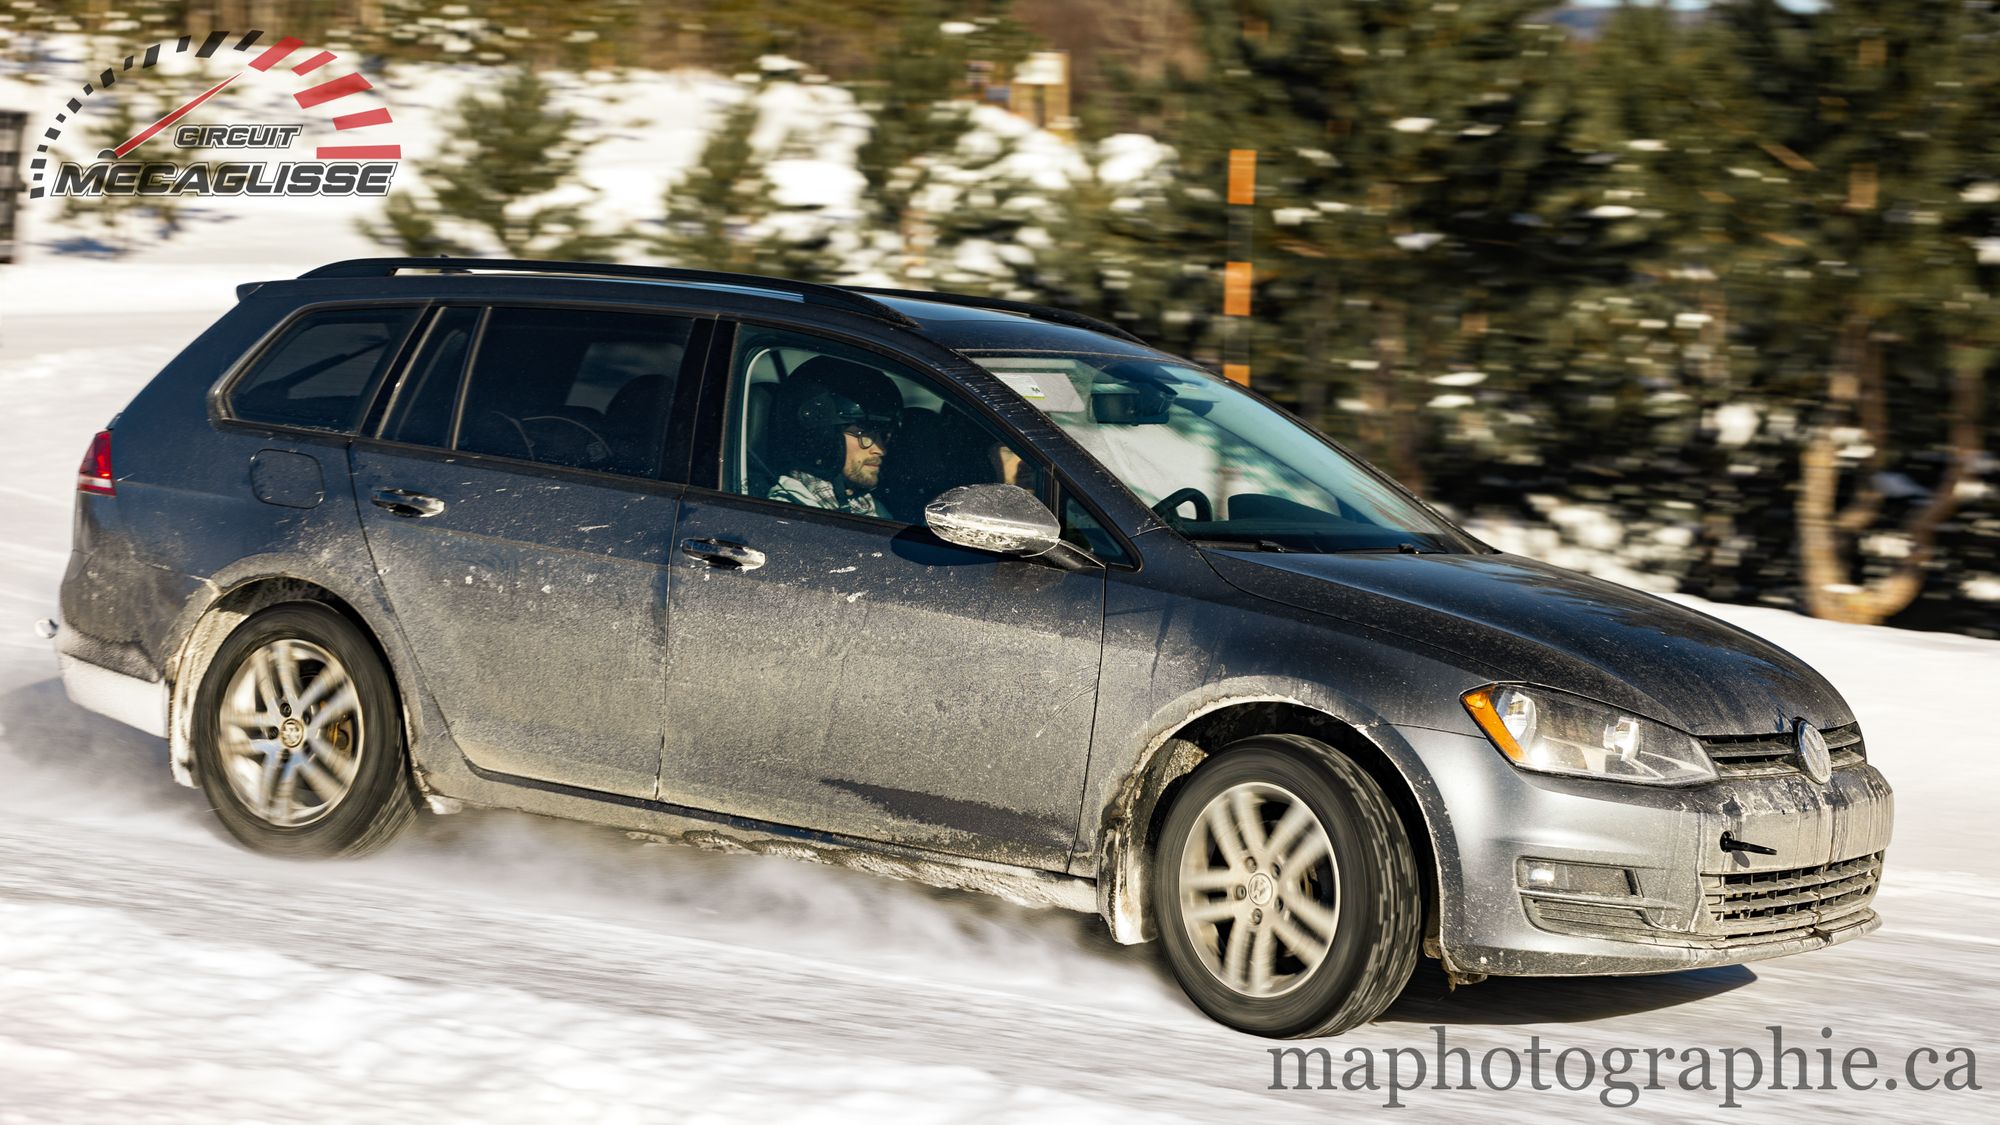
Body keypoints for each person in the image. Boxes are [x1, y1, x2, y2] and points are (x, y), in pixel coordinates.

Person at [766, 355, 903, 519]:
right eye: (864, 434)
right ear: (822, 440)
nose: (880, 450)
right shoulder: (787, 513)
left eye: (882, 435)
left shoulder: (869, 507)